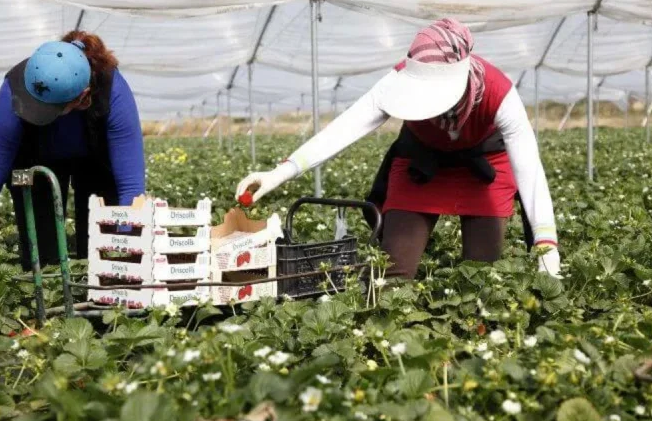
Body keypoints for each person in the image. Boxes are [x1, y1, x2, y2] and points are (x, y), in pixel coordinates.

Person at [236, 18, 561, 278]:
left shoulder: (499, 92)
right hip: (421, 163)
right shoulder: (395, 82)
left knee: (482, 276)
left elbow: (530, 171)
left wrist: (547, 244)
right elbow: (342, 130)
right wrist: (280, 172)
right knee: (393, 272)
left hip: (484, 167)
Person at [0, 31, 145, 269]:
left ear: (83, 97)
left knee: (102, 250)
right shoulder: (15, 89)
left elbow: (131, 187)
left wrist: (125, 256)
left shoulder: (113, 92)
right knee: (41, 257)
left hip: (95, 163)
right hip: (35, 162)